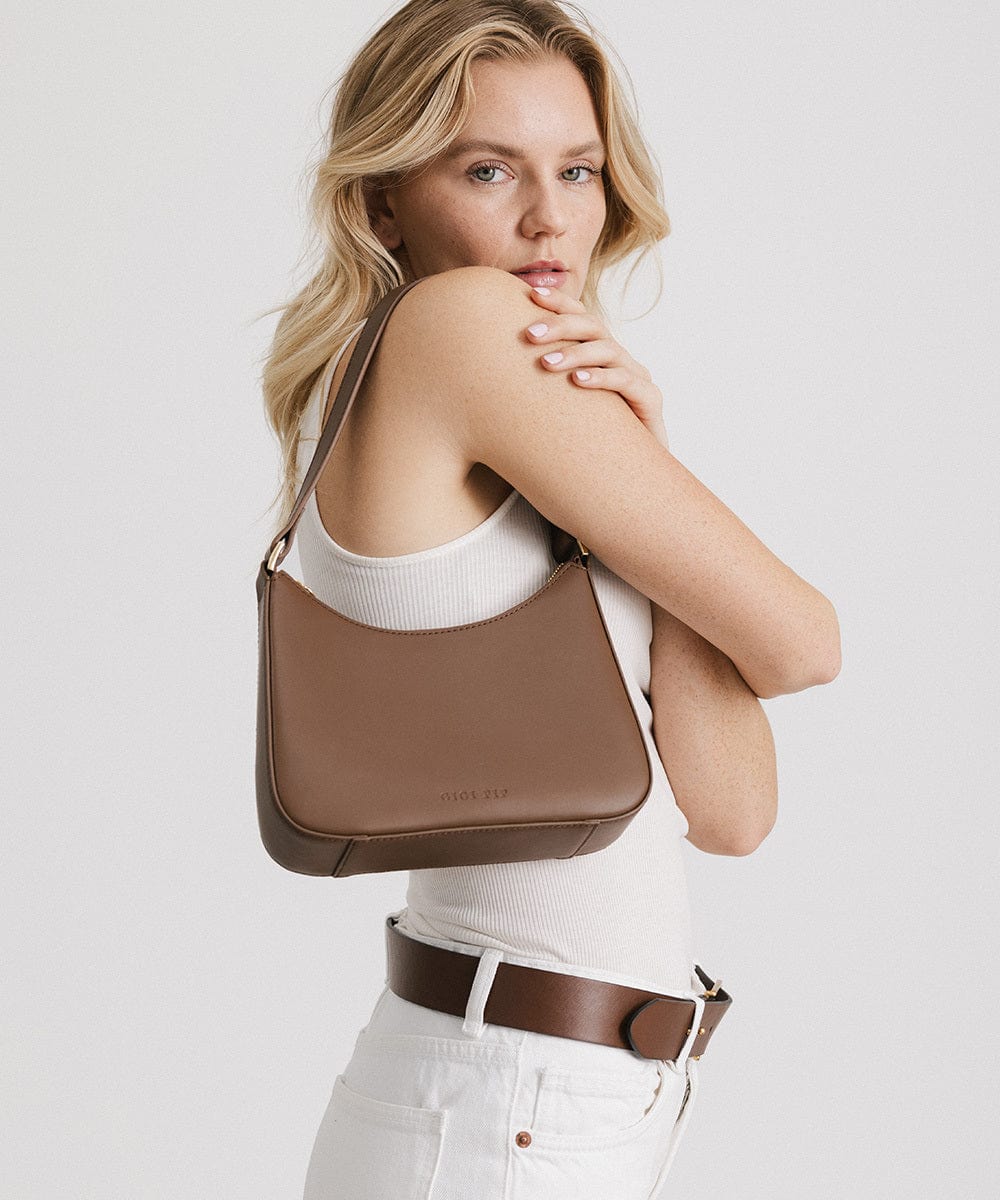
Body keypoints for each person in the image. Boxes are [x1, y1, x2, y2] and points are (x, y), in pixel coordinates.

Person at [259, 1, 841, 1196]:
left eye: (576, 170)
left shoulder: (508, 409)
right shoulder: (459, 325)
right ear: (383, 199)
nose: (550, 218)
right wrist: (645, 469)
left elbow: (732, 811)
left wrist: (642, 450)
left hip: (538, 1095)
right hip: (506, 1104)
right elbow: (803, 640)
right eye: (488, 170)